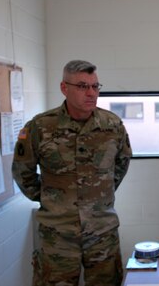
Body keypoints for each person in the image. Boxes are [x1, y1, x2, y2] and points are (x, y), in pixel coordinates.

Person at [12, 60, 132, 286]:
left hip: (102, 233)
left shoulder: (112, 125)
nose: (91, 93)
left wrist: (99, 194)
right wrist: (52, 199)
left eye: (95, 86)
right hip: (57, 235)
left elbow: (122, 163)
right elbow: (23, 173)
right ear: (64, 88)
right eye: (82, 86)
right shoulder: (40, 127)